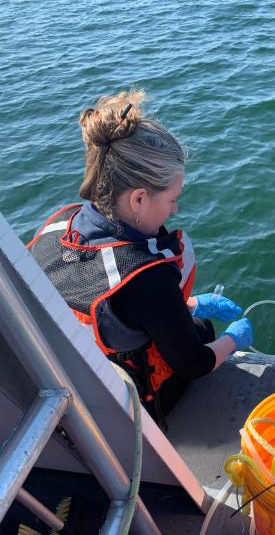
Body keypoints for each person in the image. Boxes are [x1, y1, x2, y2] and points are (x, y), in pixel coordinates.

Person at [29, 90, 254, 426]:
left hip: (70, 375)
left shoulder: (62, 221)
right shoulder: (147, 277)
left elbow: (112, 308)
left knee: (191, 319)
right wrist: (233, 339)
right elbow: (193, 363)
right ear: (138, 199)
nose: (175, 209)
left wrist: (188, 304)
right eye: (172, 199)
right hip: (127, 403)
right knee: (204, 332)